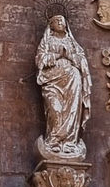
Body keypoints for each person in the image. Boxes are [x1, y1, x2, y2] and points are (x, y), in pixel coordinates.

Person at [35, 14, 91, 161]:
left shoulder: (72, 42)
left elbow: (81, 60)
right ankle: (54, 141)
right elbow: (40, 59)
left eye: (62, 20)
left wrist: (72, 57)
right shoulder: (47, 41)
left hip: (73, 80)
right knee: (55, 110)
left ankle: (69, 144)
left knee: (72, 110)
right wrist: (57, 55)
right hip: (52, 80)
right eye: (56, 21)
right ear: (51, 25)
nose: (60, 22)